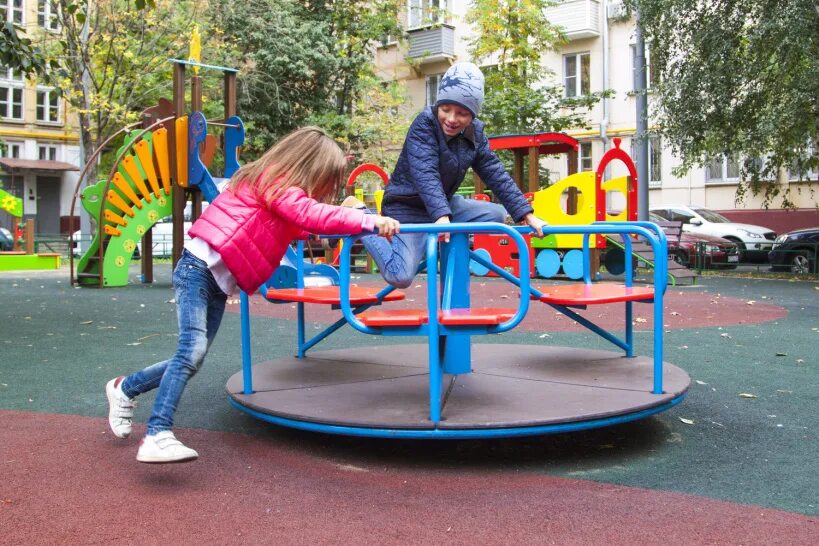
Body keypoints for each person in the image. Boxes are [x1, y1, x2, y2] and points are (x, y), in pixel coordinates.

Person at [105, 127, 400, 464]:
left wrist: (352, 218)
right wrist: (367, 220)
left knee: (192, 357)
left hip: (214, 281)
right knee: (191, 351)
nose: (324, 190)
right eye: (325, 180)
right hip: (197, 269)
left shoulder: (279, 193)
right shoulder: (276, 182)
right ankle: (158, 432)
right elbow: (309, 214)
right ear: (310, 166)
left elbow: (309, 223)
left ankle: (125, 388)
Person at [350, 62, 547, 289]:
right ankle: (360, 214)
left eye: (462, 113)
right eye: (445, 109)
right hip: (408, 208)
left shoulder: (476, 133)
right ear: (438, 105)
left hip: (444, 206)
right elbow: (425, 173)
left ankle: (451, 263)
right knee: (400, 276)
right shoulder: (424, 124)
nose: (452, 119)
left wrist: (527, 214)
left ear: (473, 115)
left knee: (496, 216)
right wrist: (442, 218)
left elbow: (494, 172)